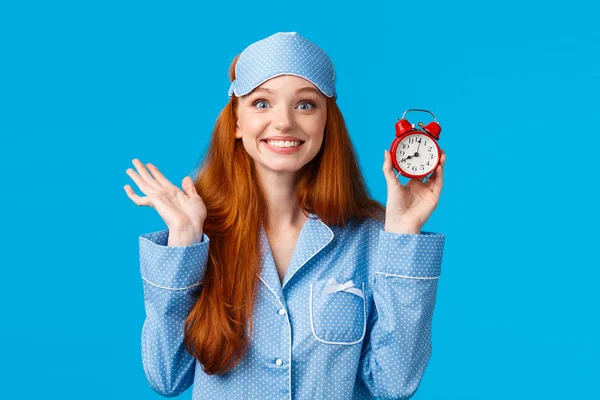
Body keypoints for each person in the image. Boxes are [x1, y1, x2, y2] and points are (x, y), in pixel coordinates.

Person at [124, 31, 446, 400]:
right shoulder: (200, 239)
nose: (284, 123)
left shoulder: (374, 239)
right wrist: (183, 240)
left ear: (327, 122)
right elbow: (166, 376)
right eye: (262, 103)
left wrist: (404, 234)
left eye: (305, 105)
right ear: (236, 123)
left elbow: (395, 384)